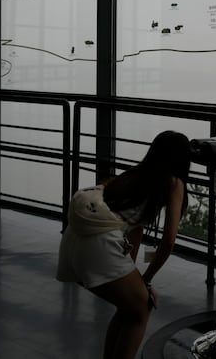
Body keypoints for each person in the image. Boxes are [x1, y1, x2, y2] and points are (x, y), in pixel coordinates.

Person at [56, 130, 190, 359]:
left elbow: (133, 231)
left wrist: (136, 280)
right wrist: (146, 281)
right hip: (100, 245)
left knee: (129, 307)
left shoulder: (131, 177)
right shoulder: (174, 183)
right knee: (141, 308)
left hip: (73, 240)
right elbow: (168, 242)